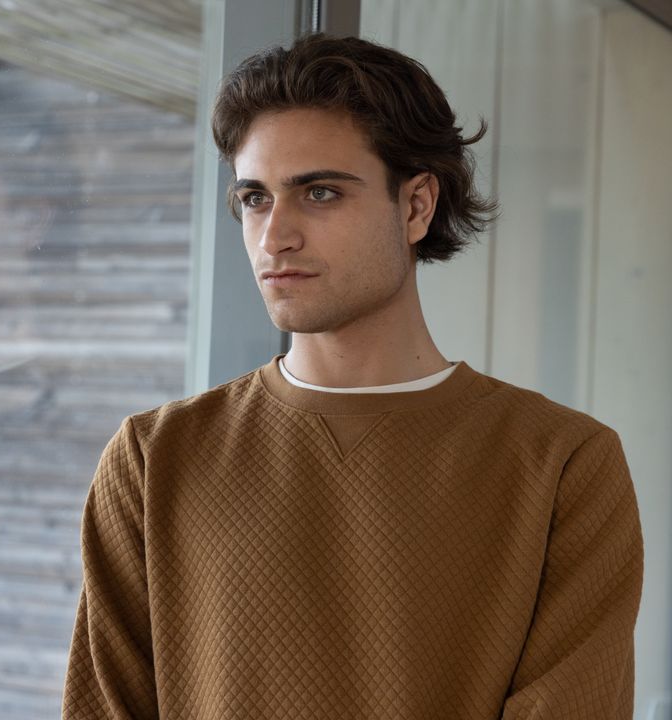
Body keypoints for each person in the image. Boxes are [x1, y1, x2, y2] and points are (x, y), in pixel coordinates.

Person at [60, 33, 644, 719]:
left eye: (321, 192)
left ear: (416, 207)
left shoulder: (563, 463)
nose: (275, 235)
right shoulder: (154, 458)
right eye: (254, 199)